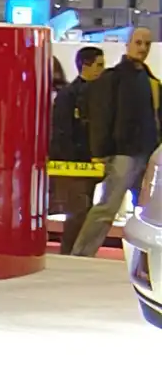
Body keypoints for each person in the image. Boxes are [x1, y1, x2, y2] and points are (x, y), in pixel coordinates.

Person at [73, 28, 160, 258]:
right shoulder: (114, 78)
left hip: (146, 153)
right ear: (128, 44)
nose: (143, 48)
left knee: (143, 213)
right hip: (124, 153)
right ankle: (81, 254)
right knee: (107, 208)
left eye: (146, 44)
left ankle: (142, 258)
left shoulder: (149, 80)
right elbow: (102, 115)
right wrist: (100, 152)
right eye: (138, 43)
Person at [53, 46, 106, 254]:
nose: (102, 70)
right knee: (77, 211)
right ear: (85, 65)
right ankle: (69, 252)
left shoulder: (98, 94)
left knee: (83, 209)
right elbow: (62, 130)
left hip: (90, 162)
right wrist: (71, 159)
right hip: (75, 164)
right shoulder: (69, 95)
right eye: (99, 65)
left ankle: (74, 251)